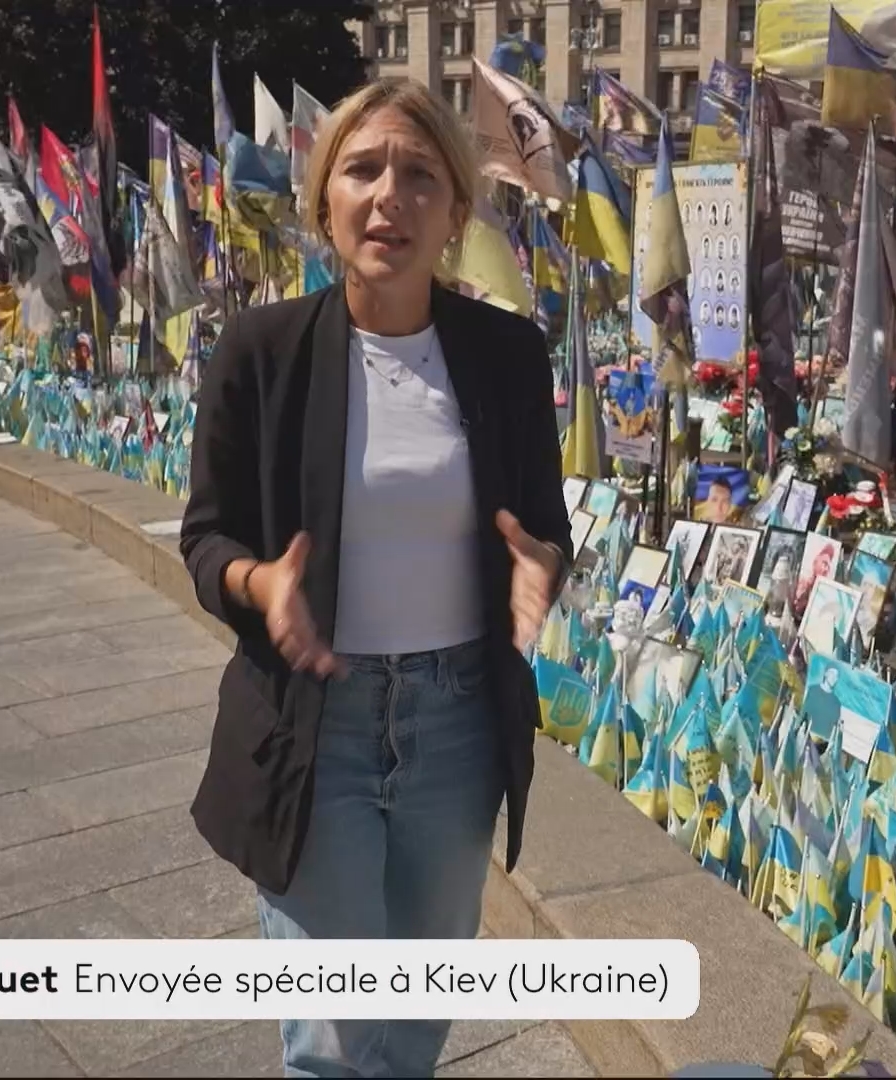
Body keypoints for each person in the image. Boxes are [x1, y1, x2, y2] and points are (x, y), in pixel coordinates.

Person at [179, 78, 571, 1078]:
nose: (390, 195)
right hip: (318, 726)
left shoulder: (508, 355)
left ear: (455, 211)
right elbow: (207, 541)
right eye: (362, 169)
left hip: (457, 725)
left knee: (413, 1026)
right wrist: (262, 585)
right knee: (337, 1038)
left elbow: (545, 529)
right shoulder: (261, 352)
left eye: (420, 175)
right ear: (325, 202)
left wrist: (539, 568)